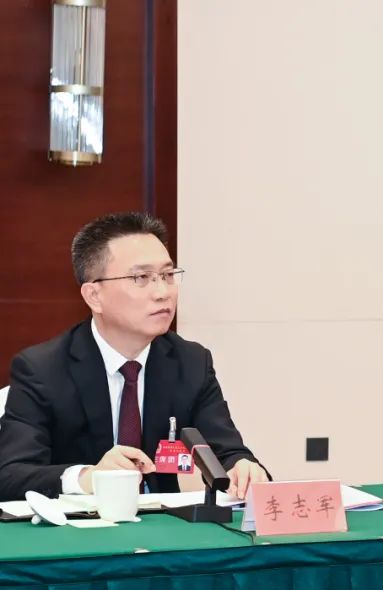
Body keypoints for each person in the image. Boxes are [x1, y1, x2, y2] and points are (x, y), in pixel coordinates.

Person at [0, 212, 269, 500]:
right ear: (94, 296)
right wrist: (88, 477)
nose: (163, 292)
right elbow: (11, 475)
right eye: (141, 278)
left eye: (167, 275)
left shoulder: (191, 363)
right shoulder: (43, 370)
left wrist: (243, 468)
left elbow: (227, 453)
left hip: (164, 526)